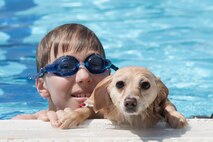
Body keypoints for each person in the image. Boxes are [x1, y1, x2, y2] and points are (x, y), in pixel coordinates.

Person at [12, 23, 118, 123]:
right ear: (42, 86)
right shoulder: (27, 122)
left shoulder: (127, 113)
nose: (84, 76)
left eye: (95, 64)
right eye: (66, 66)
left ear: (108, 76)